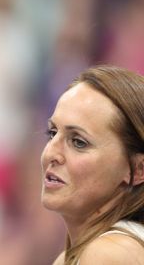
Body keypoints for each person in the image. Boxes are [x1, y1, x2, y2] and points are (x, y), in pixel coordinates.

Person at [41, 65, 144, 265]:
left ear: (139, 169)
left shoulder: (111, 252)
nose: (50, 153)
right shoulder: (68, 258)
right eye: (52, 133)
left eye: (79, 142)